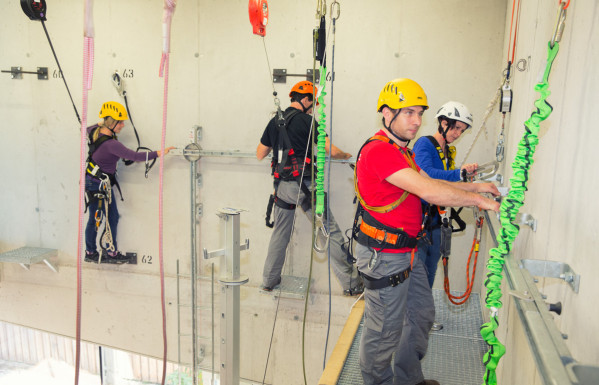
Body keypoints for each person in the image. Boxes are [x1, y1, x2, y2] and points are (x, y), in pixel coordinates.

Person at [353, 78, 499, 385]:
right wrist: (477, 201)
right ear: (387, 113)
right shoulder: (379, 151)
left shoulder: (401, 151)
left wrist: (476, 186)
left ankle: (408, 378)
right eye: (409, 113)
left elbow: (433, 183)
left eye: (420, 113)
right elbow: (429, 192)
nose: (417, 121)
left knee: (421, 314)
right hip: (385, 255)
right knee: (384, 331)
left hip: (407, 252)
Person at [256, 81, 363, 295]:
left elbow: (260, 153)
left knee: (280, 233)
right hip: (304, 186)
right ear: (304, 100)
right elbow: (330, 150)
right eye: (312, 102)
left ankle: (269, 280)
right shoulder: (307, 121)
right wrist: (346, 156)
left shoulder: (274, 121)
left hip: (281, 187)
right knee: (329, 232)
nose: (313, 107)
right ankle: (351, 285)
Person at [412, 101, 478, 331]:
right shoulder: (424, 144)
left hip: (437, 222)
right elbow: (426, 175)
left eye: (462, 130)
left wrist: (463, 176)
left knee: (429, 272)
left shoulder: (448, 151)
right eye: (455, 128)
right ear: (443, 123)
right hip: (420, 222)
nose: (458, 134)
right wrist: (457, 173)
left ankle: (422, 320)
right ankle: (412, 321)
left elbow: (445, 180)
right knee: (417, 276)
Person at [84, 101, 174, 264]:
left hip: (97, 183)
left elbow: (87, 128)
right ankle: (91, 252)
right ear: (111, 123)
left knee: (112, 217)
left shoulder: (94, 132)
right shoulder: (112, 145)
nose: (123, 125)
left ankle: (110, 251)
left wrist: (103, 122)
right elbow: (135, 157)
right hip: (97, 185)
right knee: (96, 218)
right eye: (120, 122)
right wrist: (161, 152)